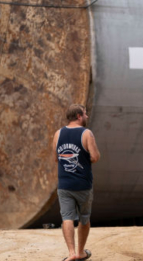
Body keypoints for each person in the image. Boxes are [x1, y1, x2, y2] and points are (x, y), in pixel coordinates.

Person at [52, 104, 100, 261]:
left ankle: (71, 253)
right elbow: (95, 157)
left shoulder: (58, 134)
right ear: (79, 116)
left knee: (67, 218)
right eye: (85, 114)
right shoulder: (87, 133)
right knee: (84, 219)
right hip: (83, 185)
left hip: (64, 185)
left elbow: (56, 158)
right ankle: (81, 252)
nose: (86, 117)